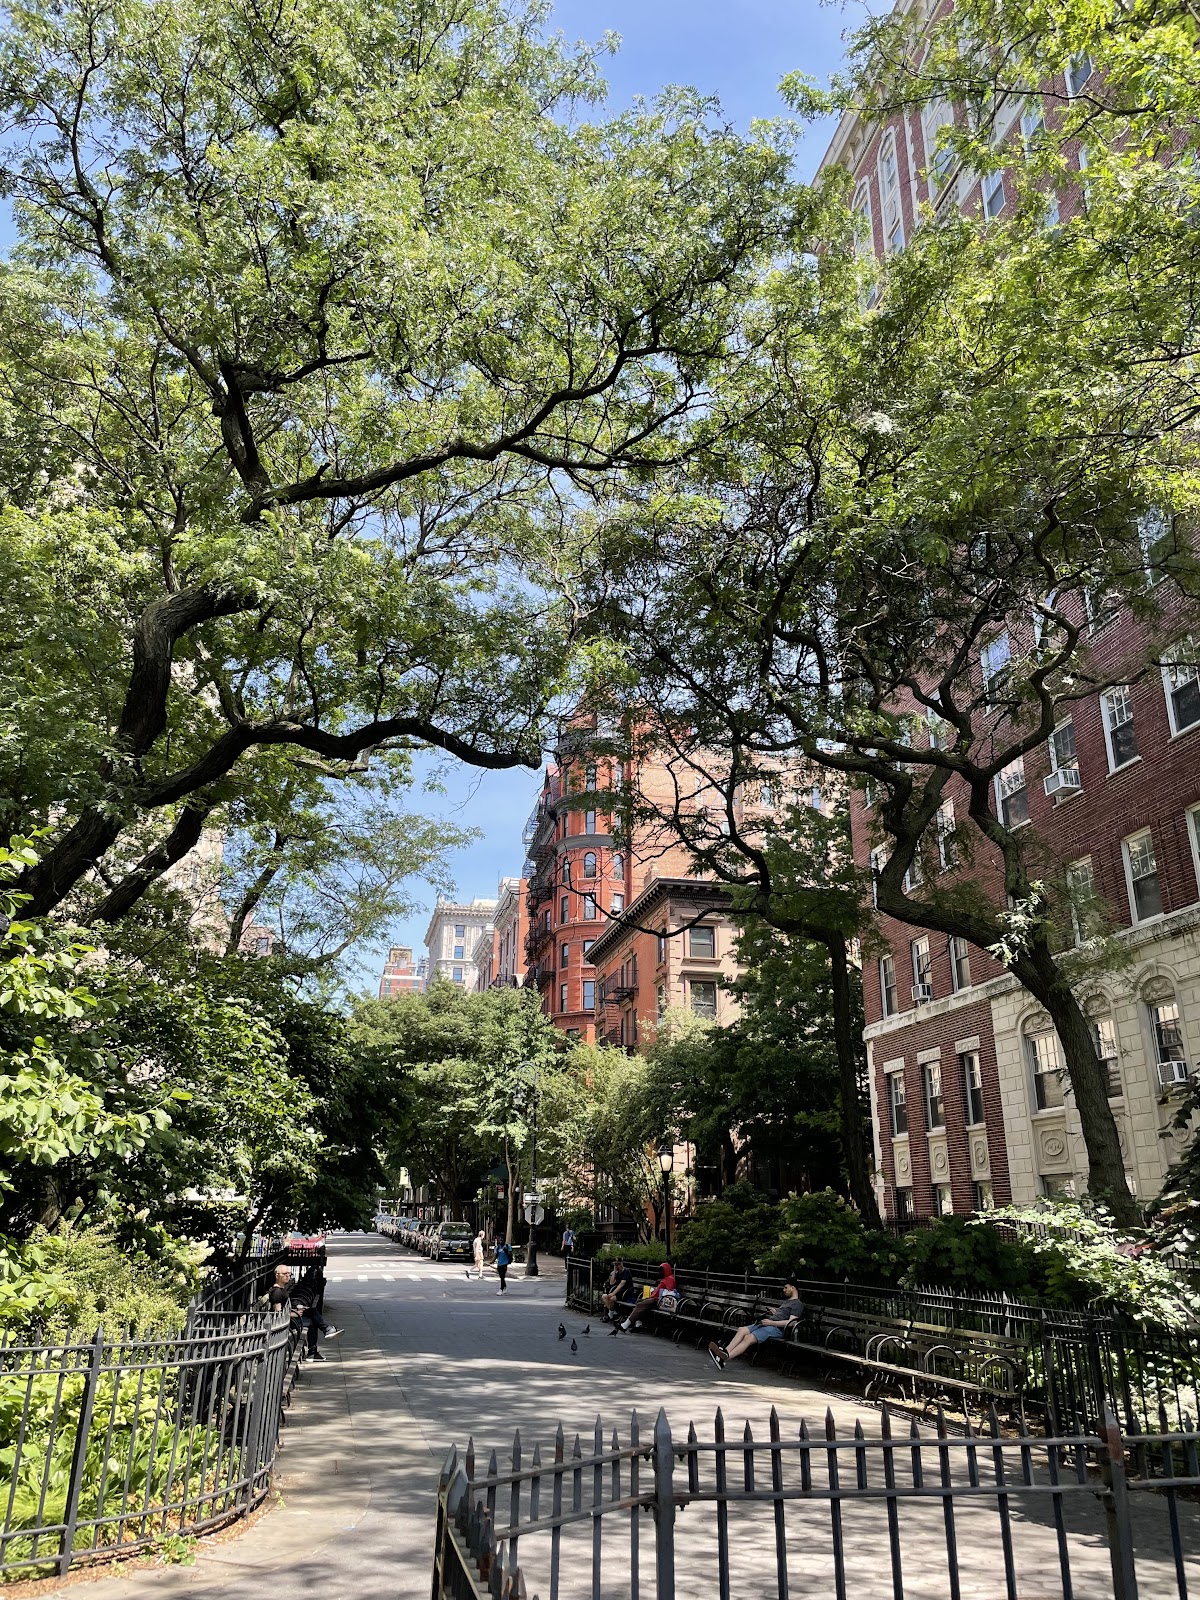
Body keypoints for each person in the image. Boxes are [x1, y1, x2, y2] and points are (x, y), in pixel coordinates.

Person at [708, 1282, 803, 1369]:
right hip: (768, 1323)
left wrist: (771, 1323)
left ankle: (726, 1358)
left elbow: (792, 1323)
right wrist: (775, 1312)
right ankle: (725, 1352)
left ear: (793, 1288)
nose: (784, 1290)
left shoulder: (797, 1304)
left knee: (748, 1338)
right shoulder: (787, 1301)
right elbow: (783, 1314)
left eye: (786, 1288)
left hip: (777, 1329)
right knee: (742, 1330)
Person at [291, 1268, 343, 1360]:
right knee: (312, 1320)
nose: (288, 1275)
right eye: (285, 1274)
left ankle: (326, 1331)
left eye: (288, 1273)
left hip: (293, 1316)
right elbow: (278, 1314)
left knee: (312, 1312)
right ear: (278, 1275)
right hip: (289, 1322)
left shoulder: (280, 1290)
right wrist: (294, 1313)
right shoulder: (277, 1293)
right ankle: (313, 1350)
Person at [616, 1261, 676, 1333]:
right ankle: (638, 1324)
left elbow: (669, 1293)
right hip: (655, 1299)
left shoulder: (670, 1279)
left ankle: (625, 1325)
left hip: (660, 1301)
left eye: (661, 1271)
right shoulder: (665, 1279)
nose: (659, 1273)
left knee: (641, 1304)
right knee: (639, 1302)